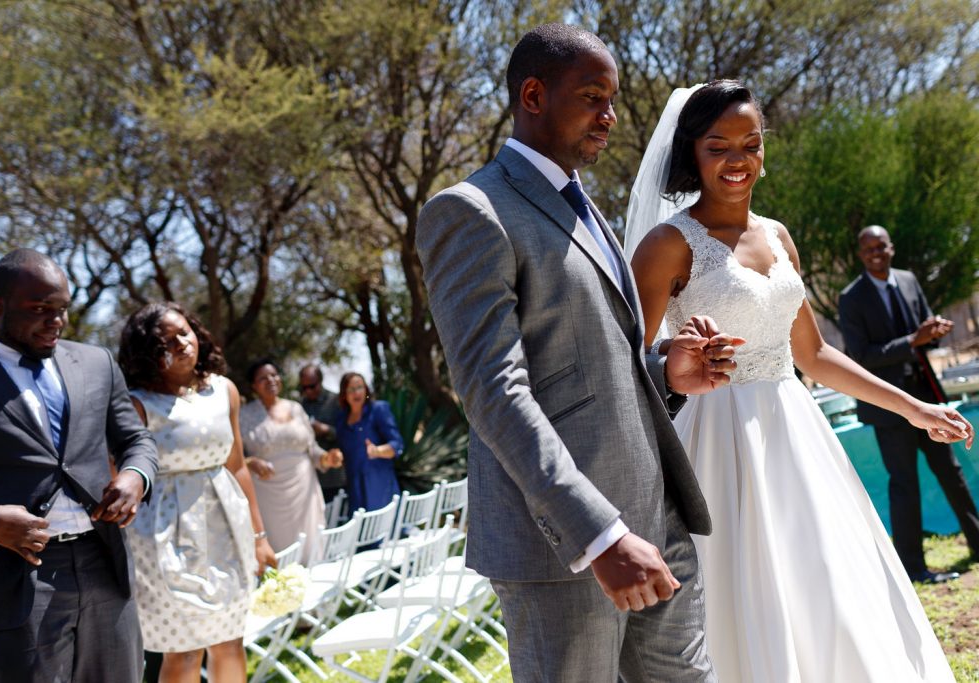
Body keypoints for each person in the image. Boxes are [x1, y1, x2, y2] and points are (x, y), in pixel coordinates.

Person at [416, 24, 743, 682]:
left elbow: (596, 369)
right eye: (593, 96)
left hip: (658, 521)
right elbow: (493, 392)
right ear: (533, 95)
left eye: (613, 98)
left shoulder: (585, 206)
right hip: (563, 550)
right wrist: (599, 535)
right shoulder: (471, 211)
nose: (611, 115)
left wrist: (667, 372)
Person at [626, 79, 969, 682]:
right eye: (718, 146)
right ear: (692, 153)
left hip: (796, 432)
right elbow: (630, 363)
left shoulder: (778, 235)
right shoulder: (666, 246)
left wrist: (913, 407)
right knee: (743, 594)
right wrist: (680, 355)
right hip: (715, 443)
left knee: (828, 586)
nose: (738, 161)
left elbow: (812, 355)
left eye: (751, 144)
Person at [0, 248, 158, 681]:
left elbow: (135, 440)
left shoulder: (96, 362)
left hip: (103, 562)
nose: (56, 321)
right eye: (40, 309)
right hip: (12, 578)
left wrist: (134, 477)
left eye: (62, 309)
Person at [118, 302, 276, 683]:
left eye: (184, 334)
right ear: (147, 353)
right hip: (164, 536)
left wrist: (259, 537)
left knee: (230, 640)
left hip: (227, 527)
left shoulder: (224, 391)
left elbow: (237, 466)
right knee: (185, 650)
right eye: (166, 342)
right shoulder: (137, 403)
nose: (181, 345)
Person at [839, 225, 979, 582]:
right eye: (868, 248)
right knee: (904, 484)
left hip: (928, 398)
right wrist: (912, 340)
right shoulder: (851, 298)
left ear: (891, 248)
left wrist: (933, 332)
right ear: (860, 254)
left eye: (881, 246)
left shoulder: (909, 280)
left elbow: (923, 334)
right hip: (888, 408)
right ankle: (915, 569)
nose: (876, 253)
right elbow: (860, 356)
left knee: (952, 472)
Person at [240, 358, 343, 560]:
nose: (270, 380)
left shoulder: (295, 408)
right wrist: (251, 462)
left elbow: (312, 450)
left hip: (304, 492)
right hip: (267, 495)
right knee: (279, 552)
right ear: (253, 386)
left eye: (274, 375)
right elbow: (235, 455)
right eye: (263, 378)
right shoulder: (244, 415)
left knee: (310, 546)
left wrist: (326, 459)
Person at [334, 372, 404, 513]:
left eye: (360, 387)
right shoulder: (341, 419)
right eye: (351, 389)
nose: (356, 392)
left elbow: (397, 444)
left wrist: (377, 451)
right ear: (344, 394)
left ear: (366, 389)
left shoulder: (378, 409)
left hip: (379, 484)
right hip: (355, 488)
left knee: (381, 530)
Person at [297, 363, 345, 502]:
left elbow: (348, 435)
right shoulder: (300, 406)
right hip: (310, 476)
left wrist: (327, 430)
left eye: (312, 386)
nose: (309, 391)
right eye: (304, 387)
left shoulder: (336, 401)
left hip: (333, 477)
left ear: (320, 382)